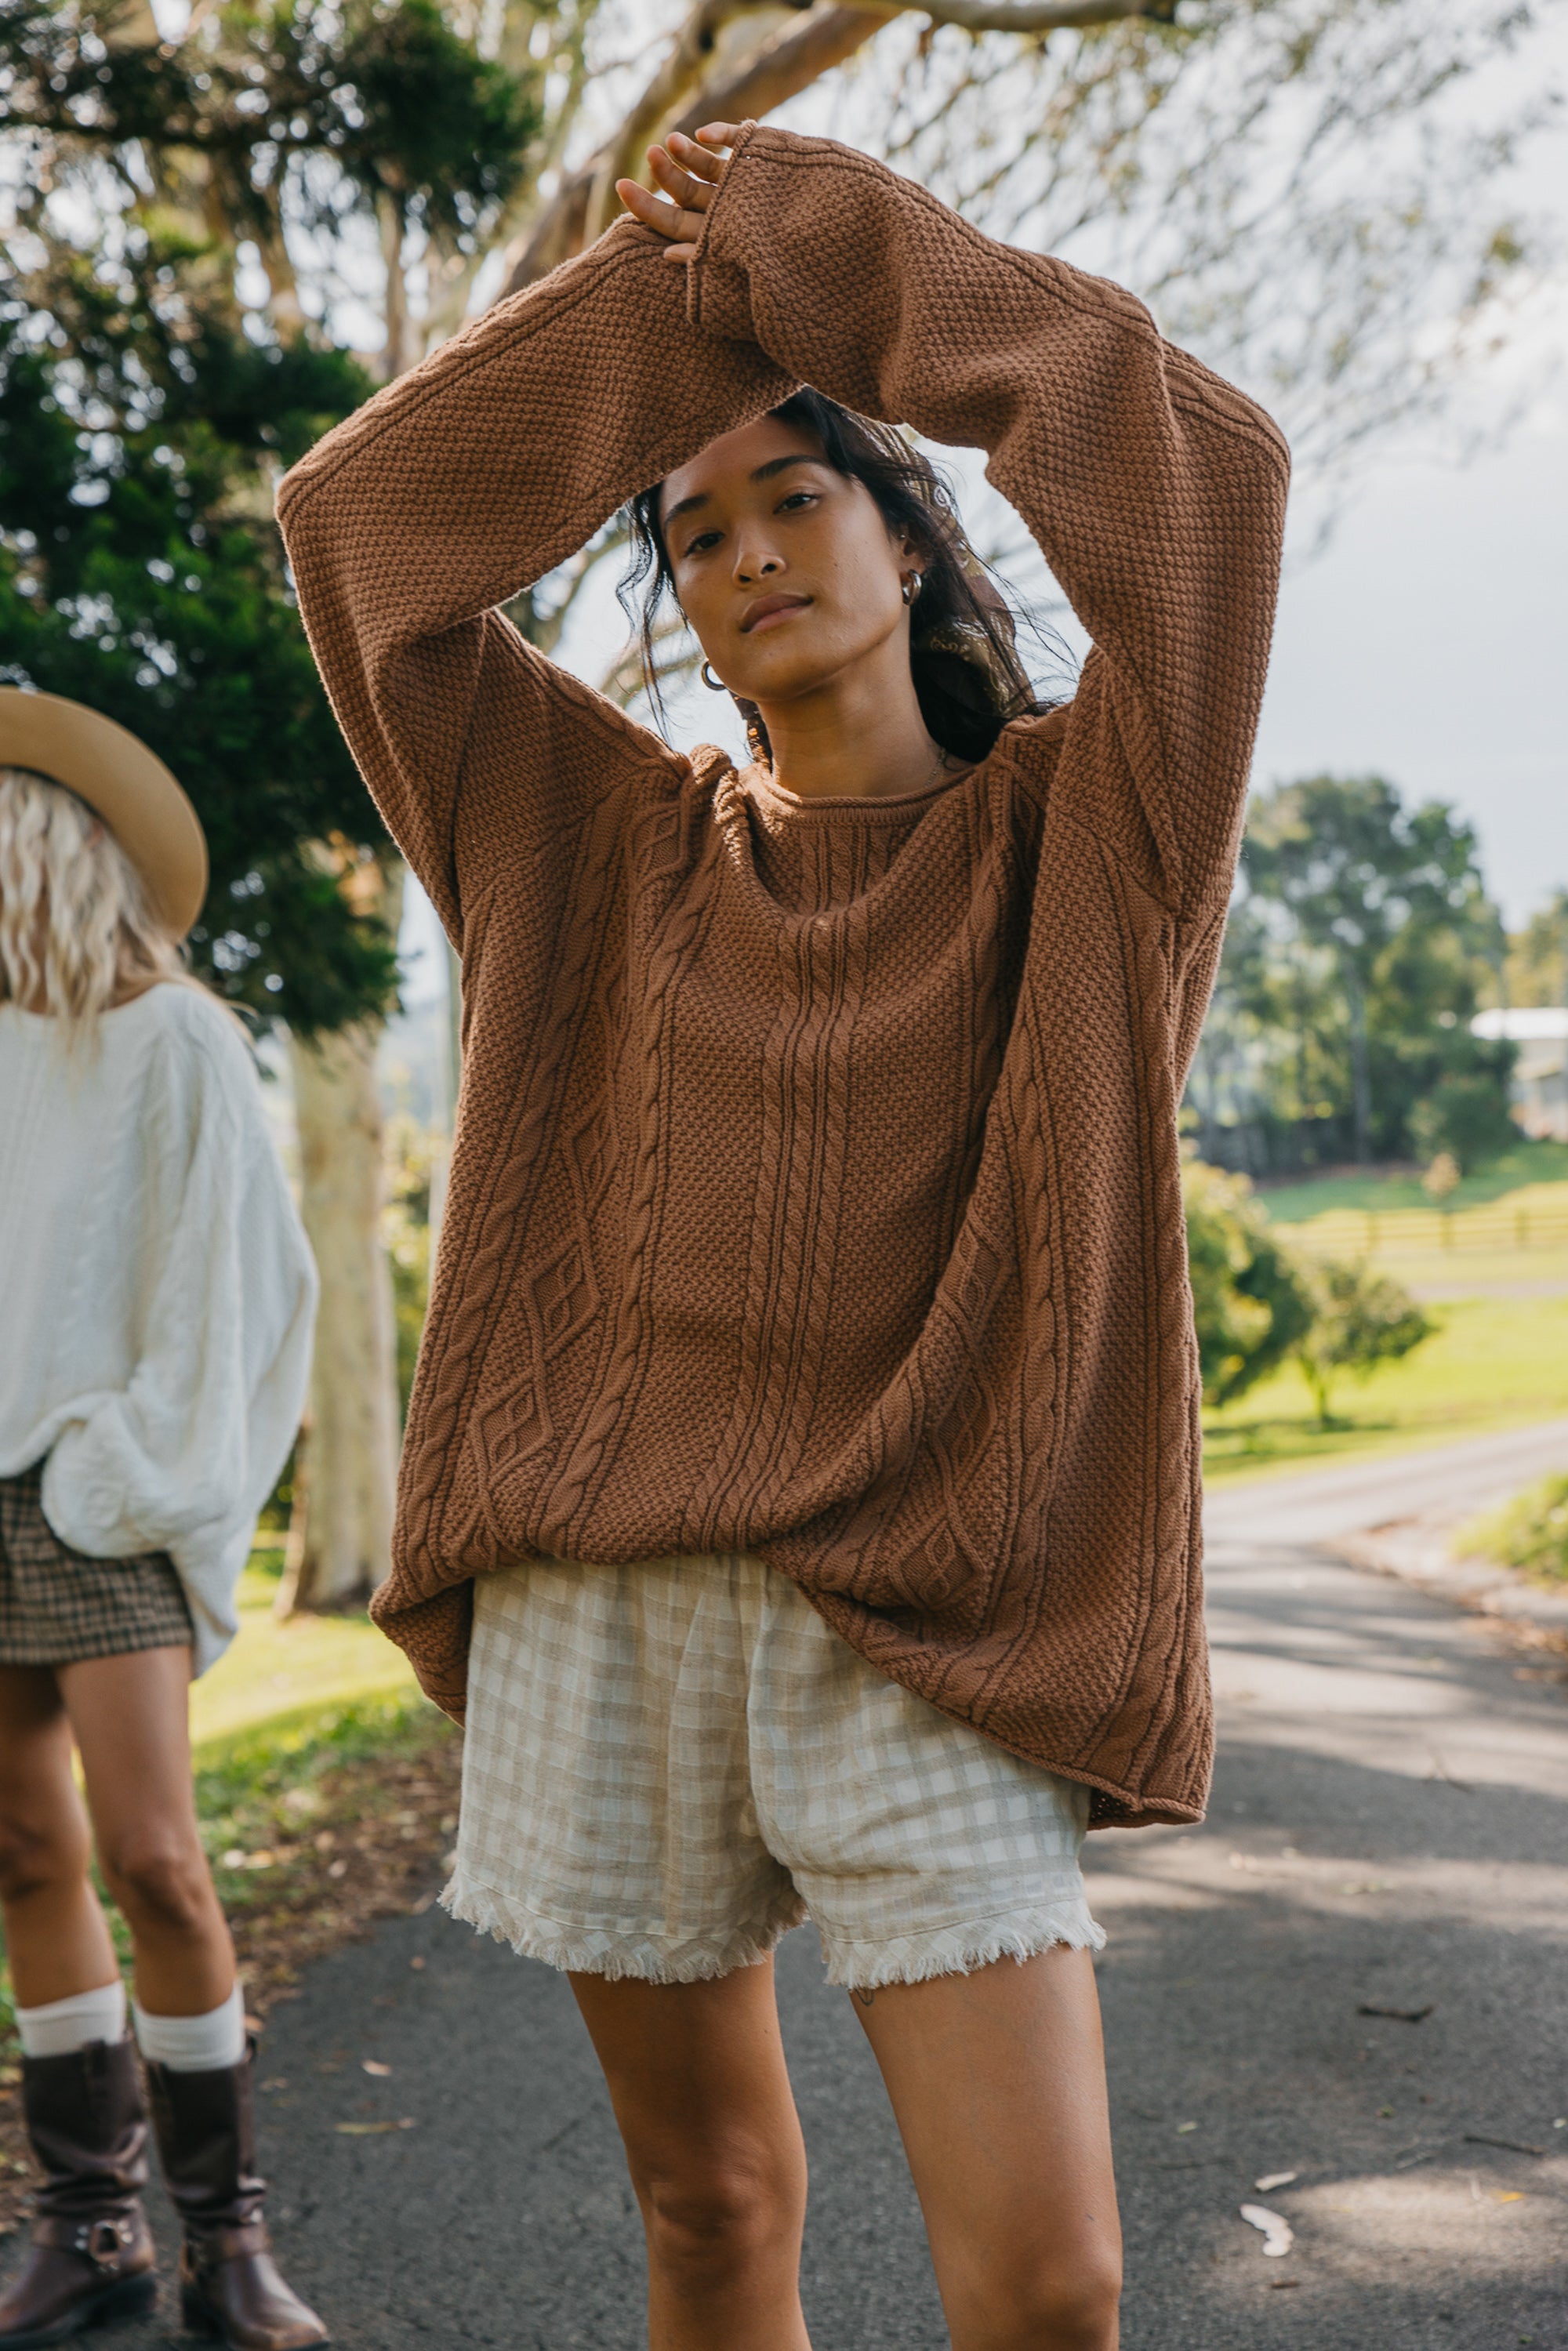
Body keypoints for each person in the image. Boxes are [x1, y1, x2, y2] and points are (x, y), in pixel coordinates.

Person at [278, 120, 1287, 2351]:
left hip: (930, 1612)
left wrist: (826, 257)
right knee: (714, 2213)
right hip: (606, 1594)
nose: (741, 550)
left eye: (797, 490)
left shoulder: (1100, 834)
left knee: (1049, 2285)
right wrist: (666, 310)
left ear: (916, 526)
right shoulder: (573, 827)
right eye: (687, 522)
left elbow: (1208, 496)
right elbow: (355, 536)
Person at [0, 689, 326, 2349]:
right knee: (22, 1851)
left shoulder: (178, 1038)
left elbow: (239, 1301)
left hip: (102, 1503)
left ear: (39, 835)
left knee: (158, 1864)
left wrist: (121, 1470)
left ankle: (232, 2240)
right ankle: (94, 2225)